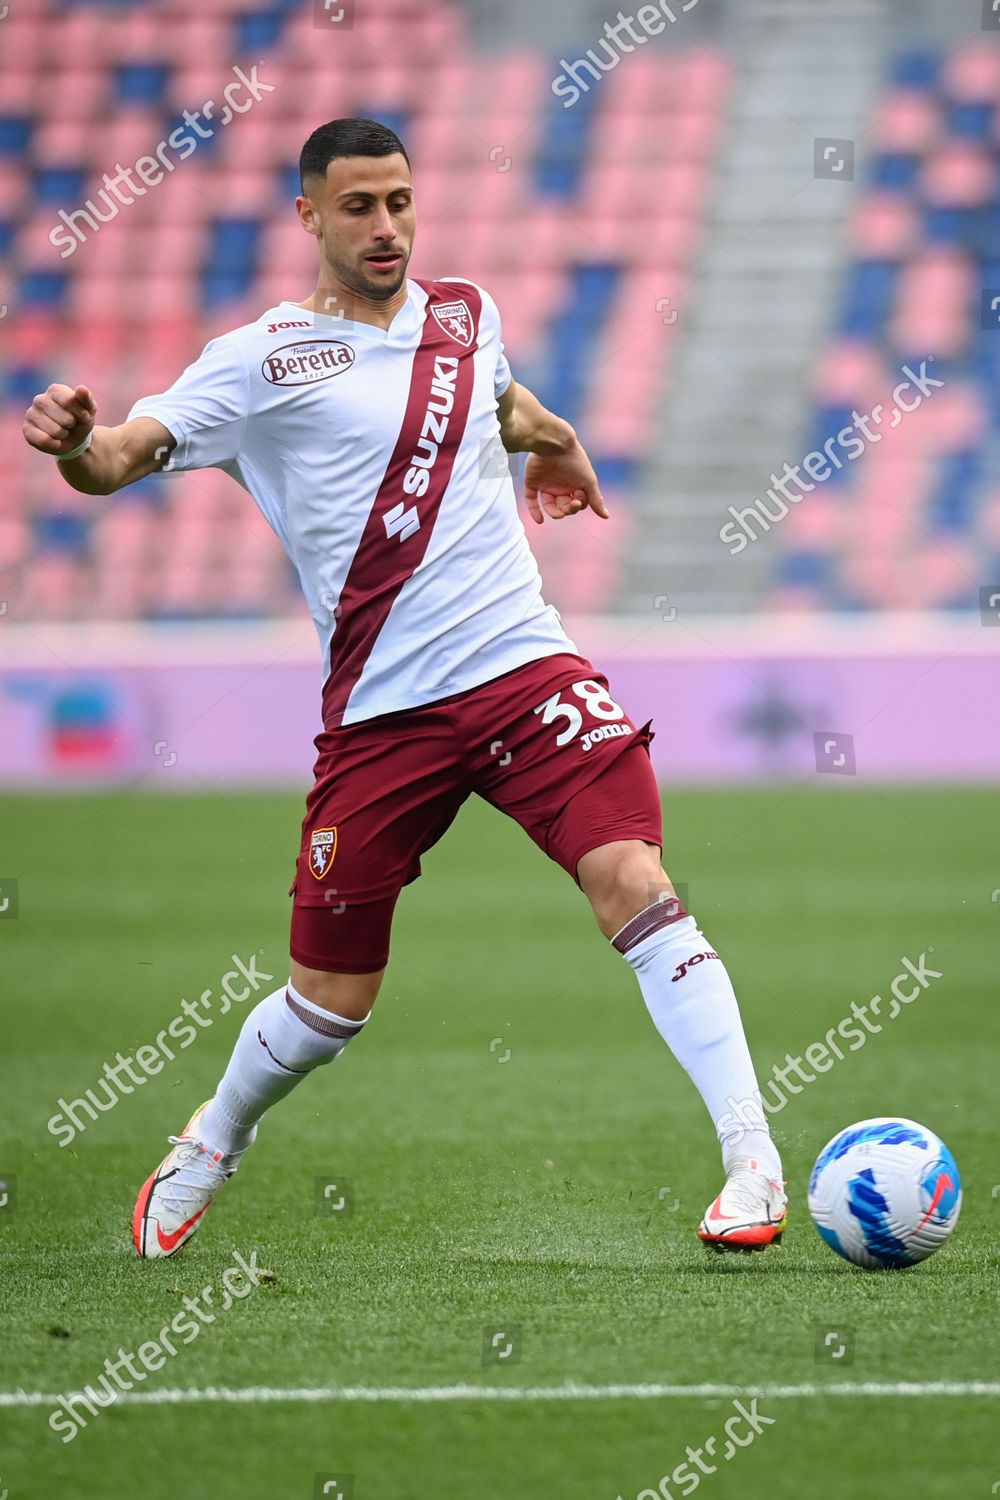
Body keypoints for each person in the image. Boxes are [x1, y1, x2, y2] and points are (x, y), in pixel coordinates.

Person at [23, 118, 786, 1259]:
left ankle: (751, 1163)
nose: (386, 228)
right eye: (359, 208)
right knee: (331, 1004)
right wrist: (75, 444)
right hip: (385, 713)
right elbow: (124, 456)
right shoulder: (259, 360)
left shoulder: (464, 315)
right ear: (308, 218)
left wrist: (560, 443)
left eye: (399, 202)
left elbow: (506, 407)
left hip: (525, 670)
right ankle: (213, 1137)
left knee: (633, 876)